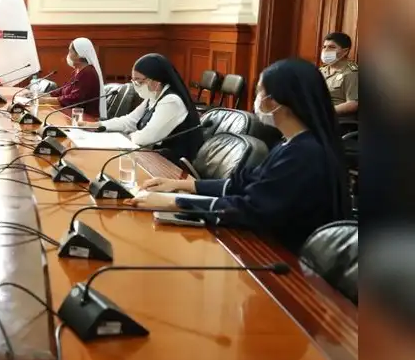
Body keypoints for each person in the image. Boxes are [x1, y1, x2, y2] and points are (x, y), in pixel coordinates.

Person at [142, 58, 352, 253]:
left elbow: (251, 209)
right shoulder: (292, 143)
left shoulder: (303, 154)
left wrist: (176, 203)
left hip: (285, 257)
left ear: (275, 101)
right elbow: (246, 183)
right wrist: (183, 185)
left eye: (259, 92)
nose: (256, 100)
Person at [78, 53, 203, 164]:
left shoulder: (171, 101)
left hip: (171, 165)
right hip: (152, 156)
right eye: (133, 80)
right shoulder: (153, 96)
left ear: (155, 81)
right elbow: (129, 121)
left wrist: (123, 138)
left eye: (138, 81)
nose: (135, 85)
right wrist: (98, 125)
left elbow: (148, 137)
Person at [39, 37, 105, 118]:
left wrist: (45, 100)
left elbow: (74, 99)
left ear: (79, 54)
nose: (68, 55)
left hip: (86, 119)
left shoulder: (88, 73)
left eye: (70, 51)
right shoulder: (77, 71)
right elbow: (63, 90)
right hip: (71, 115)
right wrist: (41, 96)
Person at [320, 32, 359, 119]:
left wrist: (324, 112)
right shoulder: (321, 71)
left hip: (337, 120)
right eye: (324, 47)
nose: (326, 50)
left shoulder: (352, 73)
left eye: (332, 47)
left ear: (345, 51)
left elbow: (353, 104)